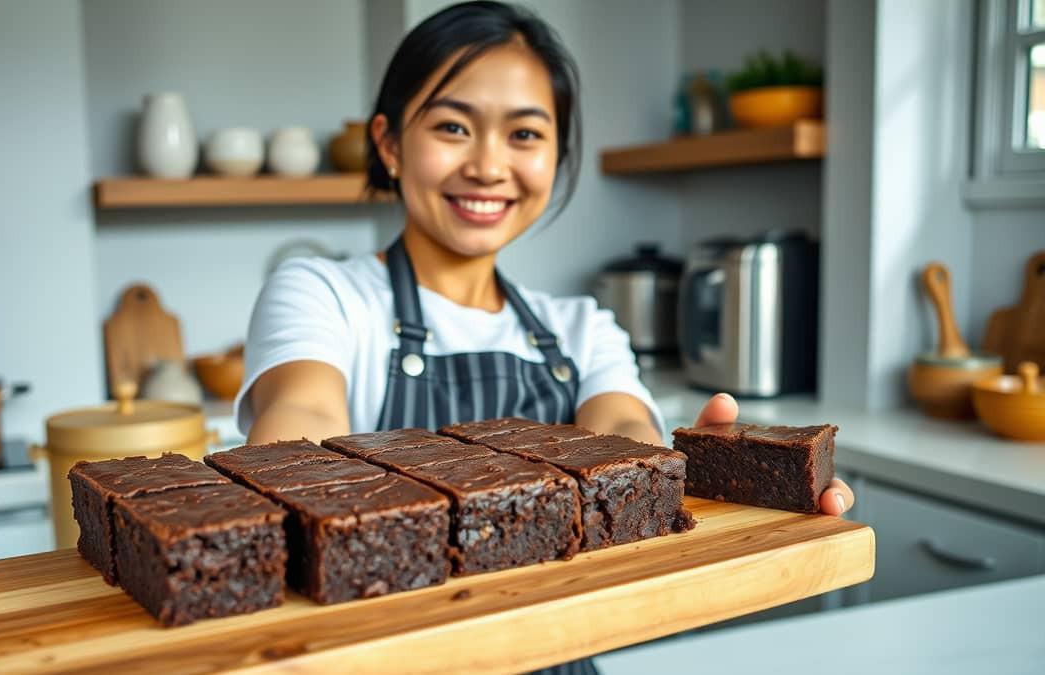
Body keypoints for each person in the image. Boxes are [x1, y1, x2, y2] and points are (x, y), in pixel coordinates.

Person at [237, 3, 854, 673]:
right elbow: (299, 424)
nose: (487, 165)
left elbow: (623, 426)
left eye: (525, 135)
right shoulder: (324, 293)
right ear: (388, 144)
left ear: (558, 155)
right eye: (452, 126)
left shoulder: (582, 326)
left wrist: (708, 474)